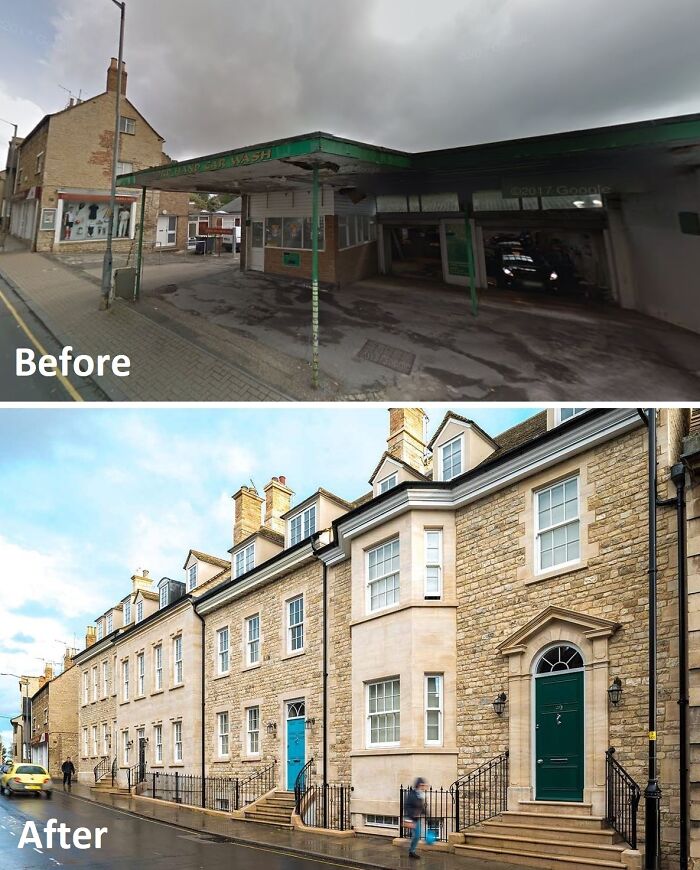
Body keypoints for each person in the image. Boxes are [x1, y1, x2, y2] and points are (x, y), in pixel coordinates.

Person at [403, 777, 427, 859]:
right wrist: (411, 816)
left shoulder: (420, 795)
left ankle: (411, 850)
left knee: (417, 835)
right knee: (416, 835)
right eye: (422, 785)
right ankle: (411, 851)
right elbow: (406, 806)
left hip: (416, 818)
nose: (424, 787)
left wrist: (426, 814)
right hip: (410, 818)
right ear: (418, 785)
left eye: (424, 785)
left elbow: (421, 807)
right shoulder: (412, 794)